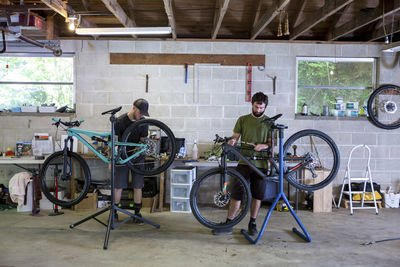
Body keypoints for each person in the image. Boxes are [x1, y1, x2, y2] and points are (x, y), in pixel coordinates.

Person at [213, 92, 271, 236]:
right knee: (236, 194)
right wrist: (232, 141)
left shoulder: (270, 122)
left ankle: (252, 222)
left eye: (261, 108)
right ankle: (229, 223)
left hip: (261, 164)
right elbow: (235, 138)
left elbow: (271, 144)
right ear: (252, 104)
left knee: (257, 195)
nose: (258, 110)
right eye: (256, 107)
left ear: (265, 107)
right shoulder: (243, 120)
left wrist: (263, 146)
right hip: (244, 162)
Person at [114, 98, 150, 223]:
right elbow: (114, 141)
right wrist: (111, 160)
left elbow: (143, 140)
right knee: (118, 186)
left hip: (137, 156)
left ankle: (137, 213)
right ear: (134, 108)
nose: (141, 116)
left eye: (143, 114)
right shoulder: (120, 121)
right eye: (140, 113)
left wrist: (135, 154)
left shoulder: (143, 122)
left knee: (138, 186)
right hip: (122, 156)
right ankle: (114, 213)